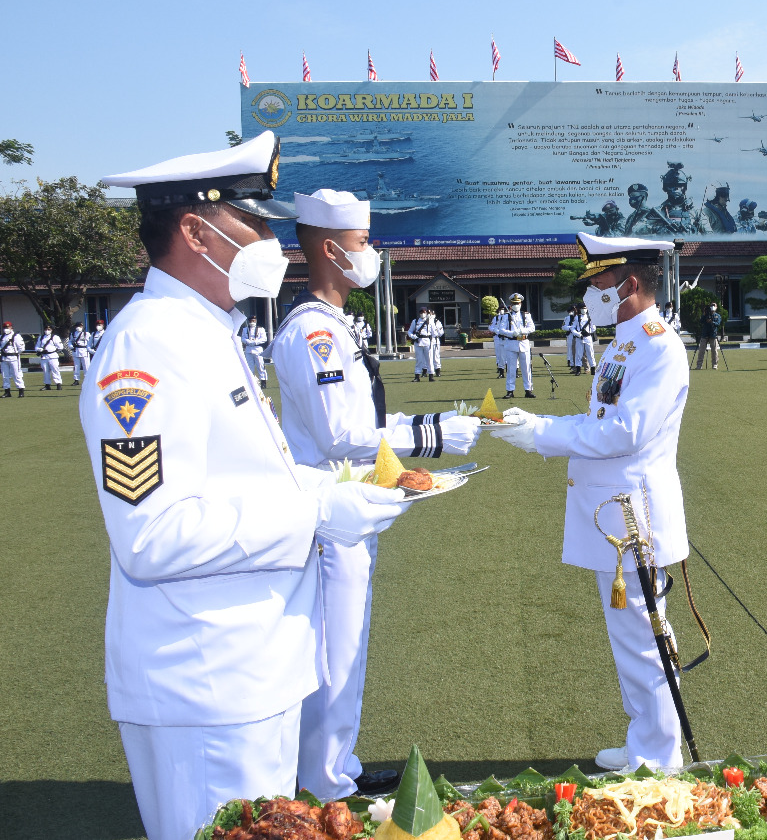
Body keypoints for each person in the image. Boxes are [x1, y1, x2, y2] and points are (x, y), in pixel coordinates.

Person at [92, 130, 412, 840]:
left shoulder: (209, 332)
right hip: (206, 682)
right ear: (195, 231)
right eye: (254, 221)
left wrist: (335, 492)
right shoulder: (148, 345)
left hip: (254, 671)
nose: (271, 239)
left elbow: (245, 476)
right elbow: (151, 533)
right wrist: (314, 509)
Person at [272, 188, 481, 801]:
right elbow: (342, 433)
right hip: (331, 510)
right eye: (364, 244)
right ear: (332, 250)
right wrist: (432, 433)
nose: (373, 254)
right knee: (337, 651)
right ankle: (325, 781)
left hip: (353, 505)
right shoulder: (316, 332)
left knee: (347, 646)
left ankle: (336, 761)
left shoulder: (331, 325)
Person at [493, 232, 690, 773]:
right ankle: (643, 739)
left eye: (596, 282)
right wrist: (540, 427)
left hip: (633, 518)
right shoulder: (626, 342)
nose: (589, 293)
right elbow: (602, 420)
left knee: (644, 639)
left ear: (626, 283)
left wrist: (540, 434)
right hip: (614, 516)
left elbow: (623, 433)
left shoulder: (657, 345)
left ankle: (658, 755)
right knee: (629, 639)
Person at [496, 293, 536, 399]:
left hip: (523, 342)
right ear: (510, 304)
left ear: (521, 303)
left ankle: (528, 390)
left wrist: (522, 331)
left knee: (526, 368)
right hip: (511, 343)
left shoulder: (526, 315)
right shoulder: (506, 316)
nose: (516, 305)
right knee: (511, 368)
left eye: (517, 303)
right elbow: (501, 330)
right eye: (514, 303)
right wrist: (511, 333)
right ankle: (510, 391)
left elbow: (532, 328)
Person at [240, 315, 269, 389]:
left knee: (260, 366)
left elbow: (264, 339)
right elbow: (243, 338)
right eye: (251, 321)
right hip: (249, 350)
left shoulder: (260, 329)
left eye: (253, 321)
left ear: (255, 321)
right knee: (250, 367)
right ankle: (251, 382)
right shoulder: (245, 329)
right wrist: (248, 341)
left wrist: (255, 342)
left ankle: (263, 382)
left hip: (258, 349)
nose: (252, 322)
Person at [34, 323, 64, 390]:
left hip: (53, 356)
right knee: (45, 371)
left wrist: (51, 350)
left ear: (51, 330)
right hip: (44, 356)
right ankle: (47, 385)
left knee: (55, 370)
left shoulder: (55, 337)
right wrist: (40, 350)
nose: (47, 330)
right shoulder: (41, 337)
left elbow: (60, 347)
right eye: (46, 329)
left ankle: (58, 384)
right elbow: (36, 347)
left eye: (49, 329)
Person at [407, 307, 433, 381]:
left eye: (424, 312)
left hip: (427, 342)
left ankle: (431, 375)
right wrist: (413, 336)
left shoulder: (430, 321)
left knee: (429, 359)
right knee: (419, 360)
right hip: (418, 342)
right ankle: (417, 376)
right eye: (421, 312)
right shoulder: (415, 321)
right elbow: (409, 331)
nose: (422, 313)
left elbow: (433, 332)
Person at [694, 302, 722, 370]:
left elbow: (718, 324)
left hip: (713, 334)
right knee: (701, 351)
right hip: (704, 334)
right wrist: (704, 314)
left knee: (714, 351)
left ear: (716, 307)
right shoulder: (706, 315)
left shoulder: (717, 315)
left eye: (714, 306)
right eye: (711, 306)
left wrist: (712, 322)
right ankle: (699, 365)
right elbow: (701, 321)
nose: (712, 307)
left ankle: (714, 365)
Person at [1, 321, 25, 398]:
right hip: (4, 359)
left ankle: (21, 391)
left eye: (7, 327)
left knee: (16, 374)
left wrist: (15, 353)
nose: (6, 329)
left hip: (14, 358)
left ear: (11, 327)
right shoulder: (2, 337)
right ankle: (7, 391)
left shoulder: (16, 336)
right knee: (5, 376)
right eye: (5, 327)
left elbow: (21, 348)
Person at [574, 304, 597, 376]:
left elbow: (594, 328)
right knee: (578, 354)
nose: (584, 310)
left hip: (588, 337)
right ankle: (578, 370)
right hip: (579, 338)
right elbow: (572, 328)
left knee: (590, 353)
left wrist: (588, 332)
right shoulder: (577, 318)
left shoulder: (590, 318)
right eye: (582, 308)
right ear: (580, 309)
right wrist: (577, 333)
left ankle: (593, 369)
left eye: (585, 308)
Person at [490, 306, 508, 378]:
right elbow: (493, 327)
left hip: (509, 339)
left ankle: (514, 371)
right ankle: (501, 371)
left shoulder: (510, 318)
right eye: (501, 309)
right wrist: (498, 332)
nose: (502, 311)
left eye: (504, 309)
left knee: (511, 356)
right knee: (500, 355)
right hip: (499, 338)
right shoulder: (497, 318)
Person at [563, 306, 581, 373]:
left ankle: (580, 366)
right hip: (571, 336)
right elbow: (564, 327)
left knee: (579, 352)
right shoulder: (568, 318)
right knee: (571, 351)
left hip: (579, 336)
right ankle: (572, 365)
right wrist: (571, 328)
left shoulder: (580, 317)